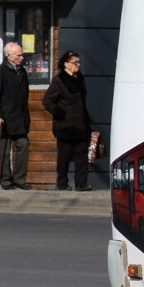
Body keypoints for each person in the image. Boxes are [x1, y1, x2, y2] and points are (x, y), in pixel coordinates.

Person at [43, 50, 92, 191]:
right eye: (75, 62)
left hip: (80, 123)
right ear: (66, 64)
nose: (78, 65)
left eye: (79, 62)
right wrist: (60, 113)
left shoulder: (80, 78)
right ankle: (62, 183)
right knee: (64, 157)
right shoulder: (59, 81)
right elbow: (47, 101)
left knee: (81, 156)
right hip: (65, 125)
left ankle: (81, 183)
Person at [0, 42, 31, 190]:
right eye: (19, 55)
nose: (22, 57)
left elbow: (25, 95)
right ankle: (6, 180)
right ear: (9, 56)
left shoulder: (22, 72)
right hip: (5, 117)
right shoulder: (0, 72)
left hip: (20, 117)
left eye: (22, 54)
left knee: (23, 145)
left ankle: (19, 179)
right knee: (4, 149)